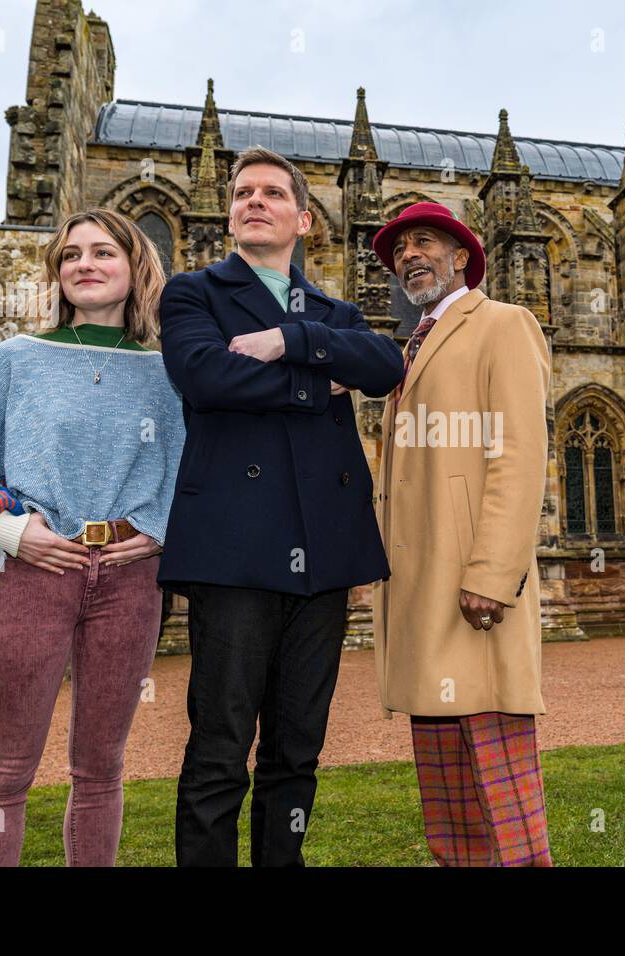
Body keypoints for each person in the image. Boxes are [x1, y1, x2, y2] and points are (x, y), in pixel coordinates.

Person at [158, 146, 404, 867]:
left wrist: (288, 339)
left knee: (297, 750)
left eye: (270, 193)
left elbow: (387, 367)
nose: (253, 201)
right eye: (242, 193)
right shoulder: (191, 293)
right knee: (219, 747)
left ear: (304, 219)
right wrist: (316, 382)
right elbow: (205, 379)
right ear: (231, 214)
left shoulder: (335, 311)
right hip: (233, 552)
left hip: (322, 555)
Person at [0, 208, 185, 866]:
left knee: (101, 770)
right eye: (72, 255)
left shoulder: (167, 375)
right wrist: (16, 532)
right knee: (4, 774)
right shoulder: (16, 360)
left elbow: (192, 478)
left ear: (135, 270)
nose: (86, 265)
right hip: (31, 574)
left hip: (130, 583)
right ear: (58, 272)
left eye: (104, 253)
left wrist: (157, 532)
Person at [369, 201, 553, 866]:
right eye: (399, 251)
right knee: (449, 807)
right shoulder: (410, 347)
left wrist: (492, 576)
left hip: (475, 597)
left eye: (424, 243)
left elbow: (519, 454)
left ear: (460, 258)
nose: (409, 256)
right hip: (423, 598)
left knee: (505, 805)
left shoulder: (504, 324)